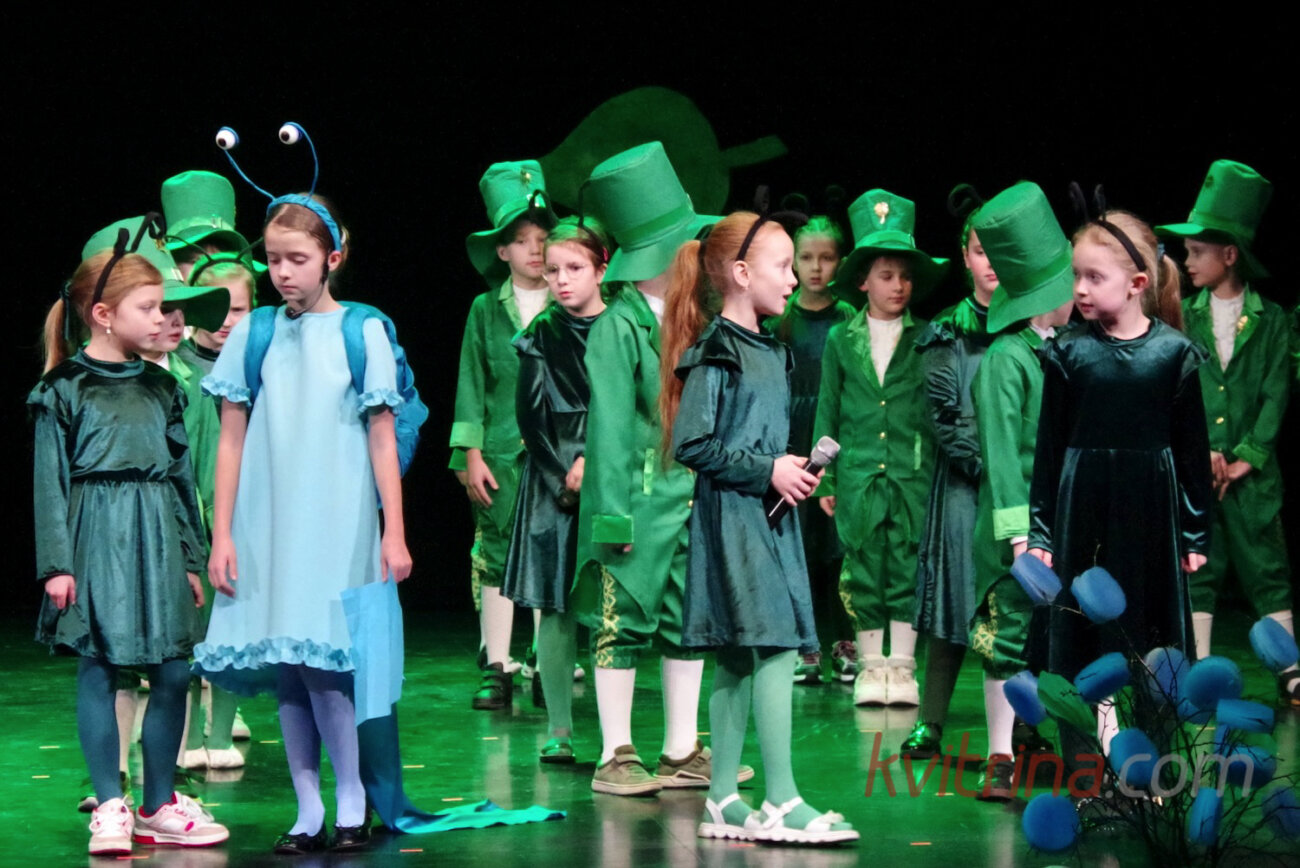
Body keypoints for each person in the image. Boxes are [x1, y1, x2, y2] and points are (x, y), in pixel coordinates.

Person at [194, 192, 412, 854]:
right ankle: (308, 806)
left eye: (298, 259)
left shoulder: (361, 330)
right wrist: (222, 533)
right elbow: (230, 440)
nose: (283, 272)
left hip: (338, 516)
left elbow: (382, 436)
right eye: (273, 260)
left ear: (332, 259)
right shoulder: (254, 332)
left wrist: (394, 531)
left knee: (326, 662)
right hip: (268, 519)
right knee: (288, 660)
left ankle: (352, 798)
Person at [660, 209, 857, 845]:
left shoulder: (772, 349)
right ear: (743, 274)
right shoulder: (717, 350)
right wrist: (766, 470)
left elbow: (757, 440)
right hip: (735, 519)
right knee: (772, 644)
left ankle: (721, 797)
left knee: (740, 655)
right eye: (784, 266)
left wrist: (790, 469)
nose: (795, 279)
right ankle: (780, 799)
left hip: (767, 518)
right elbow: (693, 443)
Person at [33, 247, 229, 856]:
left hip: (158, 534)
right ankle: (109, 804)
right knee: (99, 664)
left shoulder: (163, 386)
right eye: (147, 308)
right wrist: (57, 565)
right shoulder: (63, 389)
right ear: (104, 315)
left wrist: (192, 558)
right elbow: (49, 483)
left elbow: (180, 477)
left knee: (173, 669)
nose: (161, 319)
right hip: (95, 535)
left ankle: (159, 803)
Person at [572, 142, 742, 795]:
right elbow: (612, 432)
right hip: (635, 505)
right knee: (621, 622)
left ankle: (679, 748)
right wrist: (613, 518)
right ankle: (614, 752)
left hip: (686, 500)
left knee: (684, 622)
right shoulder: (618, 327)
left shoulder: (691, 319)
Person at [1027, 200, 1213, 684]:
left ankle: (1146, 723)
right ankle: (1095, 724)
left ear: (1137, 283)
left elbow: (1192, 453)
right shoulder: (1068, 352)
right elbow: (1049, 451)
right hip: (1083, 508)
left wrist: (1194, 533)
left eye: (1094, 277)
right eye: (1076, 276)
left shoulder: (1173, 355)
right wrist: (1042, 532)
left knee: (1147, 624)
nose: (1080, 289)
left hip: (1149, 509)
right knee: (1084, 624)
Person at [1155, 160, 1297, 705]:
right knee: (1199, 564)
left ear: (1230, 255)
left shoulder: (1271, 319)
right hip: (1200, 469)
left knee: (1266, 565)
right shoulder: (1184, 317)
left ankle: (1290, 669)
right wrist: (1203, 451)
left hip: (1252, 476)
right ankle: (1198, 667)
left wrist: (1246, 455)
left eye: (1197, 252)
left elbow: (1276, 392)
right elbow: (1179, 392)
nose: (1187, 262)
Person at [964, 182, 1075, 799]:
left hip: (1066, 522)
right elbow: (1003, 455)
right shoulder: (1008, 358)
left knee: (1072, 637)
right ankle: (1000, 755)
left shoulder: (1066, 352)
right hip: (1022, 533)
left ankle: (1092, 753)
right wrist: (1019, 541)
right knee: (1007, 638)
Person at [815, 189, 941, 707]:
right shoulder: (841, 340)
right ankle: (871, 666)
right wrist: (824, 476)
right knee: (864, 568)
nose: (898, 286)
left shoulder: (927, 338)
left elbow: (935, 414)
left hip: (912, 475)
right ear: (863, 281)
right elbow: (827, 411)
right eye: (887, 276)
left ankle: (903, 668)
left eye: (905, 276)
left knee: (907, 567)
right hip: (859, 474)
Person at [501, 217, 609, 761]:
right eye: (553, 271)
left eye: (574, 268)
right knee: (556, 603)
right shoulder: (543, 331)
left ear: (601, 269)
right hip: (553, 480)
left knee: (612, 606)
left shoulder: (621, 327)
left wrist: (597, 461)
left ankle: (618, 736)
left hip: (610, 473)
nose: (562, 280)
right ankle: (560, 728)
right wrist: (563, 471)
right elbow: (530, 415)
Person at [452, 161, 557, 708]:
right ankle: (496, 663)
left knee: (549, 553)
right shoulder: (484, 310)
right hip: (499, 453)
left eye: (542, 239)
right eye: (521, 241)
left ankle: (546, 660)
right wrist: (469, 453)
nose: (534, 250)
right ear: (502, 251)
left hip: (556, 457)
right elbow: (472, 382)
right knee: (496, 555)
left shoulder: (568, 302)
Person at [903, 185, 999, 755]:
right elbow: (944, 415)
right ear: (965, 256)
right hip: (967, 484)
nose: (991, 263)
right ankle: (932, 718)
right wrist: (989, 465)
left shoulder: (1032, 327)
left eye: (999, 252)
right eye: (981, 251)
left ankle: (1022, 722)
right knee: (955, 596)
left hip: (1019, 485)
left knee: (1012, 602)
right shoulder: (946, 331)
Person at [764, 216, 856, 684]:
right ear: (794, 262)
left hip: (836, 443)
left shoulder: (849, 319)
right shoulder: (779, 318)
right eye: (806, 258)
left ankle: (844, 640)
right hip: (790, 444)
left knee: (835, 549)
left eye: (827, 258)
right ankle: (805, 644)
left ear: (841, 262)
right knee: (794, 545)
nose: (816, 267)